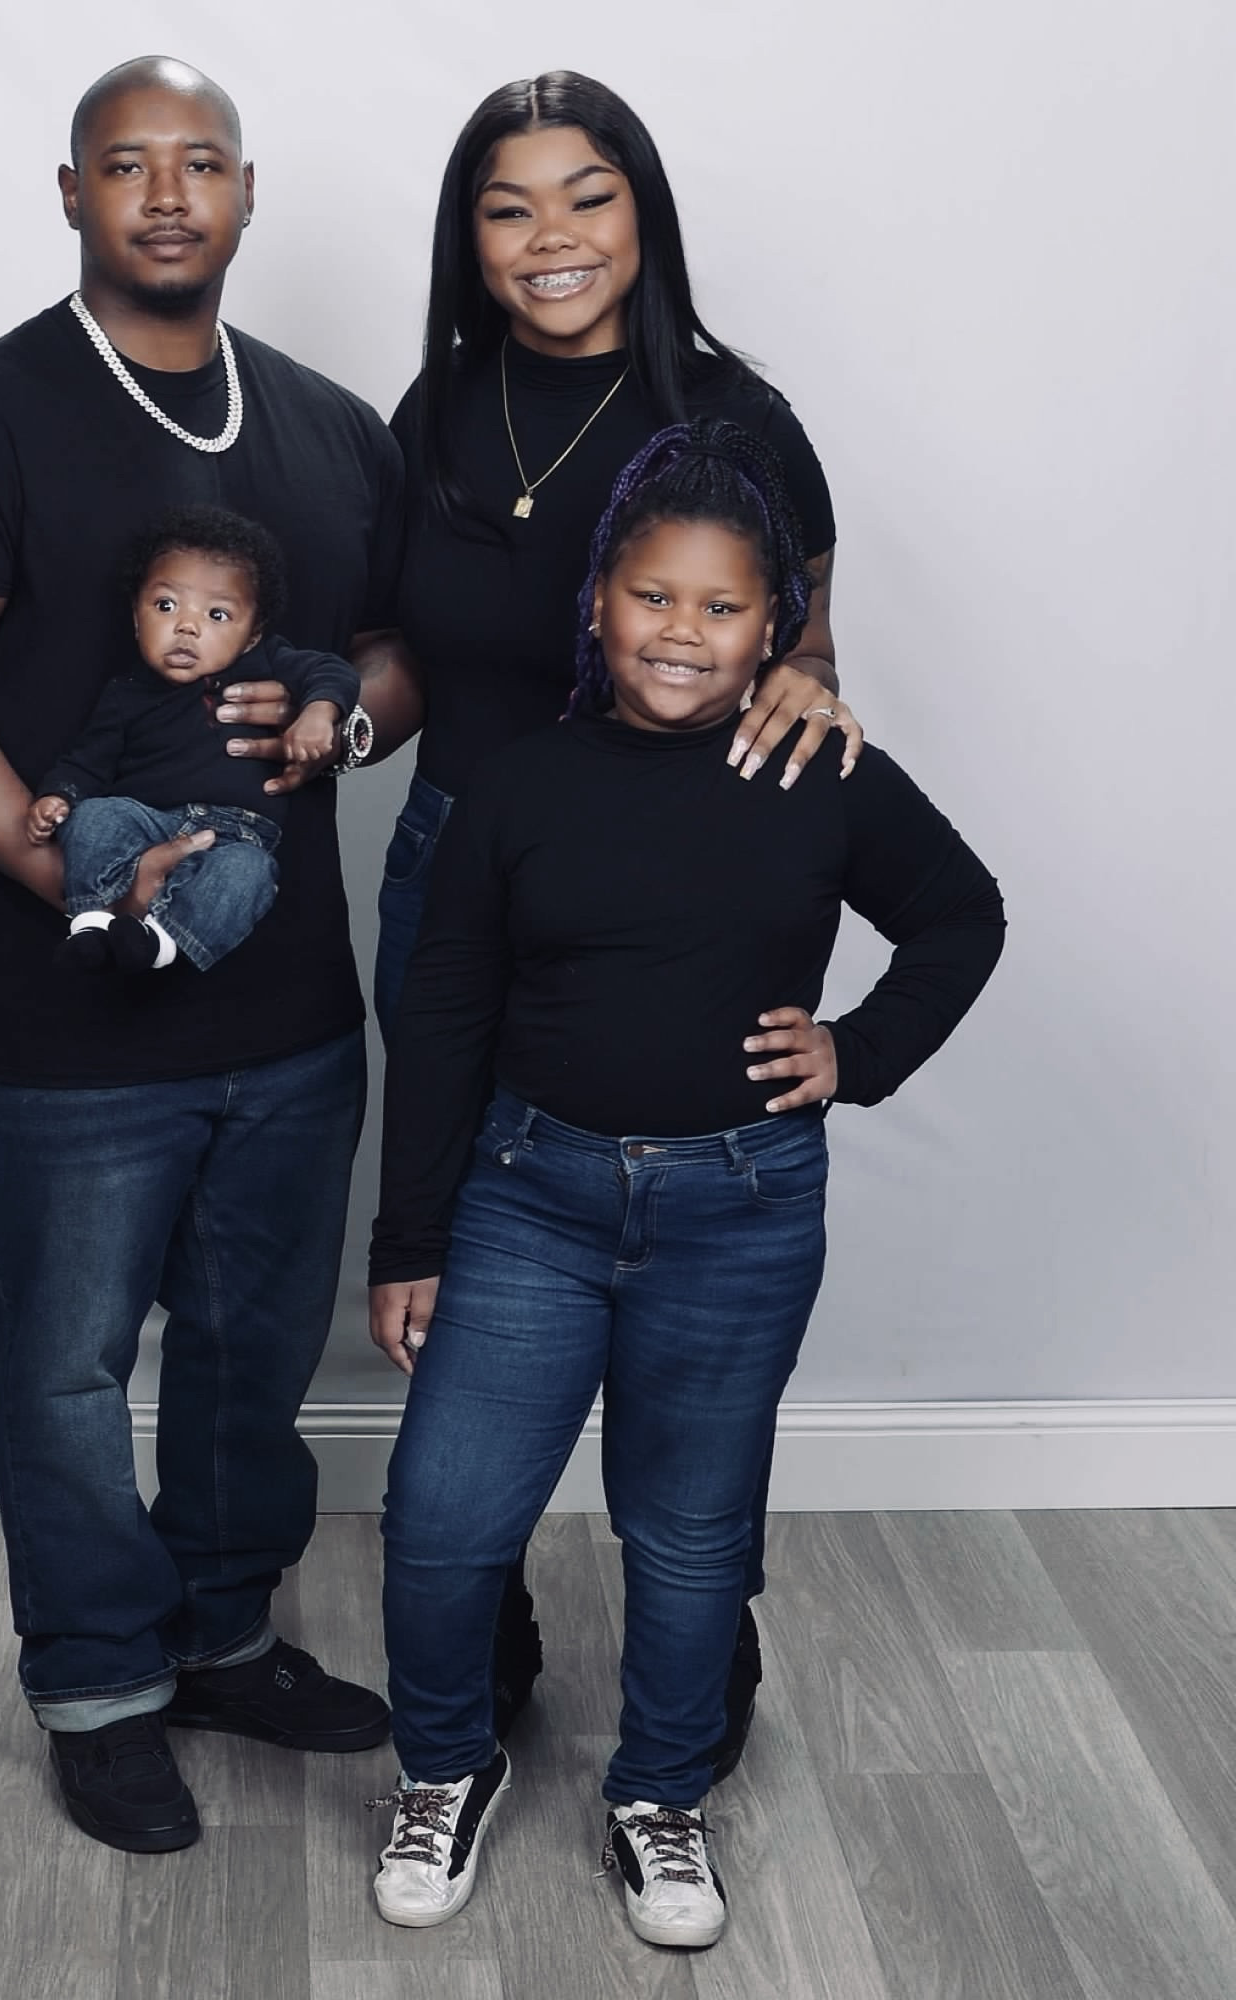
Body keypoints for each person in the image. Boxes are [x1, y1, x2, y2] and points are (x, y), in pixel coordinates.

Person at [0, 56, 402, 1856]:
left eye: (200, 161)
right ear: (70, 192)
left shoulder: (330, 430)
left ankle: (222, 1639)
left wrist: (344, 727)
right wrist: (81, 859)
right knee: (67, 1373)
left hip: (287, 1010)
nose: (167, 193)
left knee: (252, 1352)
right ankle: (97, 1687)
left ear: (247, 192)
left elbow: (402, 650)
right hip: (47, 1021)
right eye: (127, 164)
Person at [365, 419, 1005, 1944]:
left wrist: (858, 1051)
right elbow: (443, 1014)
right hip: (529, 1200)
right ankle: (446, 1766)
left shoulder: (819, 770)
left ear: (775, 626)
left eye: (723, 607)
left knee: (691, 1532)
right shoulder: (520, 784)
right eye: (654, 596)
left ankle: (661, 1792)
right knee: (442, 1518)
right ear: (600, 602)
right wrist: (409, 1236)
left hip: (742, 1211)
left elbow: (962, 915)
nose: (682, 632)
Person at [371, 69, 863, 1763]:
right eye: (508, 207)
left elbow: (804, 648)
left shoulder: (737, 414)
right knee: (470, 1234)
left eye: (588, 196)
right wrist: (326, 726)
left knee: (700, 1299)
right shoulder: (439, 409)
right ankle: (482, 1620)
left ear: (643, 212)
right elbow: (400, 650)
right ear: (471, 237)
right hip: (457, 860)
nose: (552, 237)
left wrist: (808, 681)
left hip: (668, 893)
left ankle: (705, 1625)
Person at [28, 505, 360, 975]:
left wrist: (319, 712)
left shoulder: (267, 661)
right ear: (137, 617)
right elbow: (86, 763)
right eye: (166, 606)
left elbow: (331, 670)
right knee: (96, 817)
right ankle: (92, 922)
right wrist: (58, 796)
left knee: (249, 873)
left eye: (218, 614)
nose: (187, 626)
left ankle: (161, 942)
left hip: (238, 833)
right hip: (147, 824)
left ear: (252, 636)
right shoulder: (125, 694)